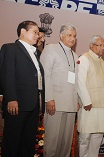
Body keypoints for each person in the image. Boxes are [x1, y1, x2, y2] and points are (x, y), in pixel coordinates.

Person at [0, 20, 45, 157]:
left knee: (28, 142)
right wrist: (11, 99)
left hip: (33, 105)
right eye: (35, 32)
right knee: (12, 142)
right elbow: (7, 75)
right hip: (17, 104)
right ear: (23, 32)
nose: (38, 36)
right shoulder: (10, 48)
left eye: (38, 33)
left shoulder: (36, 52)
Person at [40, 23, 78, 157]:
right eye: (69, 35)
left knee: (66, 143)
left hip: (71, 105)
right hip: (55, 103)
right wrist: (49, 98)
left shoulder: (75, 55)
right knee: (53, 141)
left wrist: (77, 100)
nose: (72, 38)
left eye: (74, 36)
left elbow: (76, 81)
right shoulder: (51, 49)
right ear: (61, 35)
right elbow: (45, 75)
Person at [77, 35, 104, 157]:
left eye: (103, 45)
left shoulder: (101, 61)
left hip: (102, 105)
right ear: (91, 46)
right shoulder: (84, 58)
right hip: (89, 105)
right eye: (99, 45)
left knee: (98, 136)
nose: (102, 48)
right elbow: (80, 82)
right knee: (85, 137)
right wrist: (86, 101)